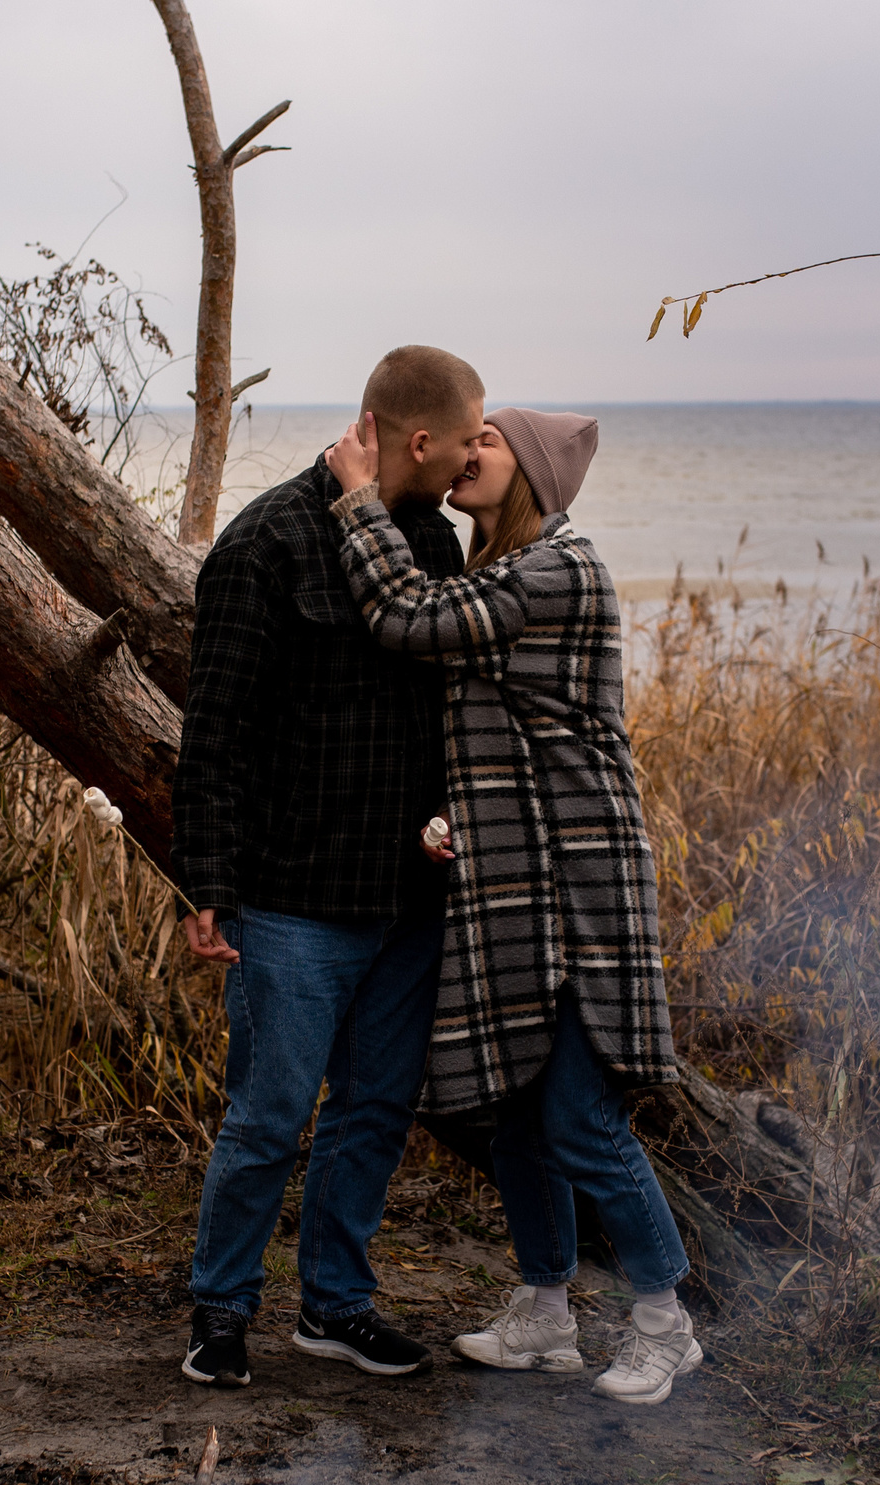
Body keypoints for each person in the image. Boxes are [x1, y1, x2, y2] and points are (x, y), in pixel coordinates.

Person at [323, 406, 703, 1406]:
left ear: (528, 469)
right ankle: (545, 1314)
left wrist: (359, 504)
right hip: (515, 883)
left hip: (583, 886)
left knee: (581, 1116)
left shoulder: (559, 567)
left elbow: (408, 621)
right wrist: (457, 815)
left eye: (488, 439)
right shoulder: (497, 573)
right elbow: (497, 721)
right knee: (522, 1113)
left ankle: (667, 1322)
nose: (466, 447)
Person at [170, 346, 487, 1388]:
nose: (469, 463)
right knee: (267, 1115)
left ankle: (335, 1308)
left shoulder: (433, 544)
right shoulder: (265, 545)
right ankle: (219, 1312)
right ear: (417, 438)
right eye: (462, 442)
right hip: (294, 898)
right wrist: (207, 888)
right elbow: (213, 733)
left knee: (372, 1112)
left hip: (407, 895)